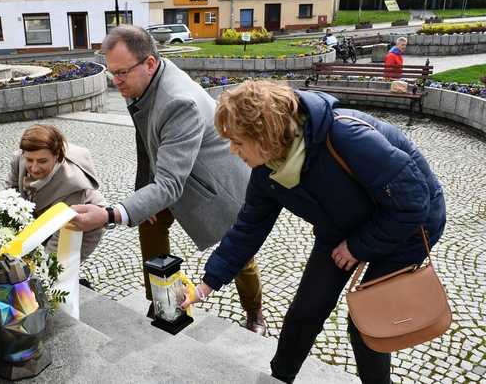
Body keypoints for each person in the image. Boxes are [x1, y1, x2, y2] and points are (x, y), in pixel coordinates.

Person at [181, 80, 446, 384]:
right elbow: (248, 228)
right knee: (305, 312)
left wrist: (358, 247)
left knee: (367, 322)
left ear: (264, 136)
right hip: (341, 224)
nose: (232, 150)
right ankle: (279, 378)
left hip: (410, 224)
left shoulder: (346, 136)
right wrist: (204, 286)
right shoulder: (268, 170)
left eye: (238, 142)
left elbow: (414, 202)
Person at [69, 24, 267, 335]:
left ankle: (254, 311)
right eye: (112, 73)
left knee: (239, 252)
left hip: (214, 184)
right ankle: (160, 298)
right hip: (173, 169)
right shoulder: (142, 79)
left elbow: (171, 185)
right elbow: (147, 140)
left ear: (149, 63)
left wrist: (109, 215)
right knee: (149, 224)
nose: (115, 81)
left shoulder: (178, 101)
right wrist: (141, 194)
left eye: (121, 73)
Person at [8, 124, 105, 262]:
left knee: (60, 267)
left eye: (42, 161)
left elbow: (59, 239)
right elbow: (9, 194)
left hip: (81, 225)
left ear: (57, 156)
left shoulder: (73, 183)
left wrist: (43, 270)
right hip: (41, 218)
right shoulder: (19, 159)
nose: (34, 168)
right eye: (29, 160)